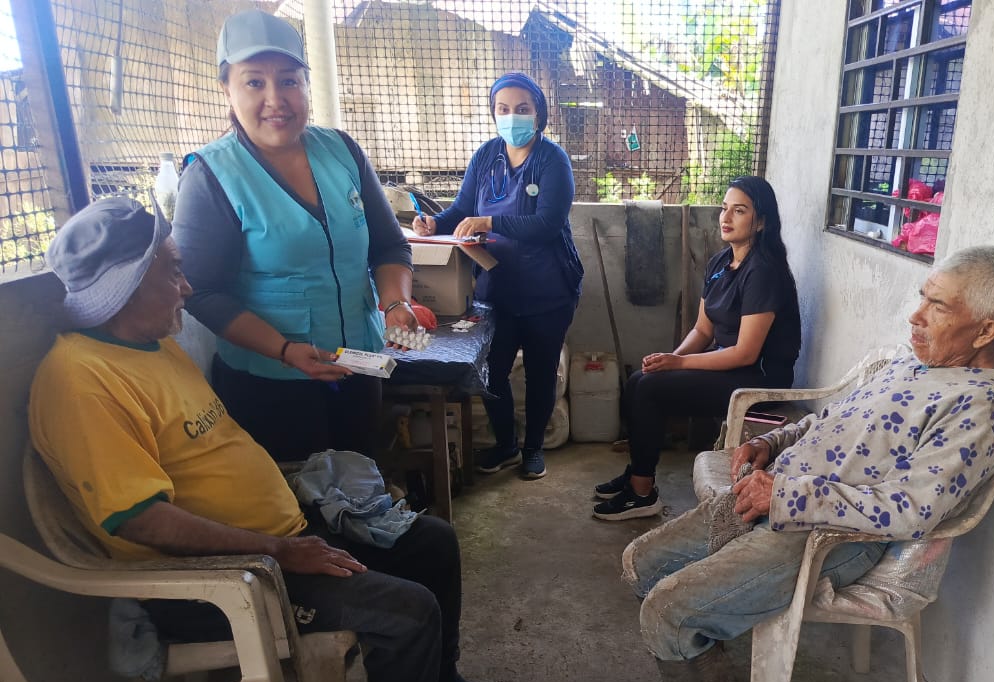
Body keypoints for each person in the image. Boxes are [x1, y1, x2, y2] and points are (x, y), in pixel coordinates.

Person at [30, 197, 545, 682]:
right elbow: (139, 520)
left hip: (280, 537)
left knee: (431, 542)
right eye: (172, 272)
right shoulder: (82, 382)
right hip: (221, 580)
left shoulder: (150, 347)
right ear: (125, 288)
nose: (186, 287)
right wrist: (279, 550)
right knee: (406, 609)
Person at [617, 246, 994, 682]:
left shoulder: (980, 408)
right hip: (777, 497)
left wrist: (785, 496)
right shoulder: (911, 365)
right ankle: (696, 674)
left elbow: (911, 509)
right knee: (642, 562)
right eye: (923, 298)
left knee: (669, 610)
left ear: (986, 329)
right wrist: (772, 444)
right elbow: (830, 422)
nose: (916, 316)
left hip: (831, 538)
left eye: (938, 307)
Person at [173, 10, 424, 461]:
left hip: (357, 366)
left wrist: (395, 304)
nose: (276, 99)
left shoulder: (342, 151)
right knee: (297, 494)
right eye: (254, 82)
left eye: (288, 80)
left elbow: (389, 246)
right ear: (227, 88)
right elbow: (201, 291)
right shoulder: (211, 175)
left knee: (360, 480)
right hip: (270, 384)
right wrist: (284, 349)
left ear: (306, 85)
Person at [593, 175, 801, 521]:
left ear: (761, 222)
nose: (726, 218)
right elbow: (703, 329)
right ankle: (636, 475)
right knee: (640, 381)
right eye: (725, 208)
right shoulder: (721, 263)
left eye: (739, 211)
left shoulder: (764, 272)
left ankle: (642, 494)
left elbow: (746, 353)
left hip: (758, 378)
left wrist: (679, 365)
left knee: (650, 391)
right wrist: (670, 359)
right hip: (728, 366)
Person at [413, 72, 583, 481]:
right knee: (490, 371)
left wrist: (489, 221)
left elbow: (547, 223)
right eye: (503, 109)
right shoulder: (487, 155)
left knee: (541, 374)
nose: (512, 117)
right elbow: (461, 211)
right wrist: (433, 224)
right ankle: (506, 443)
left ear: (539, 113)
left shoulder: (552, 160)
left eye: (522, 108)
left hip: (547, 291)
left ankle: (533, 448)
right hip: (496, 290)